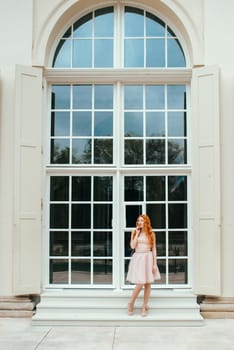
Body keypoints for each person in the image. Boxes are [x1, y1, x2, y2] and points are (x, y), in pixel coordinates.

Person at [126, 214, 160, 317]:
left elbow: (154, 249)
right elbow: (132, 246)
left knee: (148, 283)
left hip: (148, 258)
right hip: (138, 258)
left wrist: (155, 264)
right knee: (140, 283)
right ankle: (131, 303)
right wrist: (136, 233)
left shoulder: (151, 233)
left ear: (146, 222)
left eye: (142, 220)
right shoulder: (134, 232)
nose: (139, 222)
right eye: (138, 221)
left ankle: (144, 306)